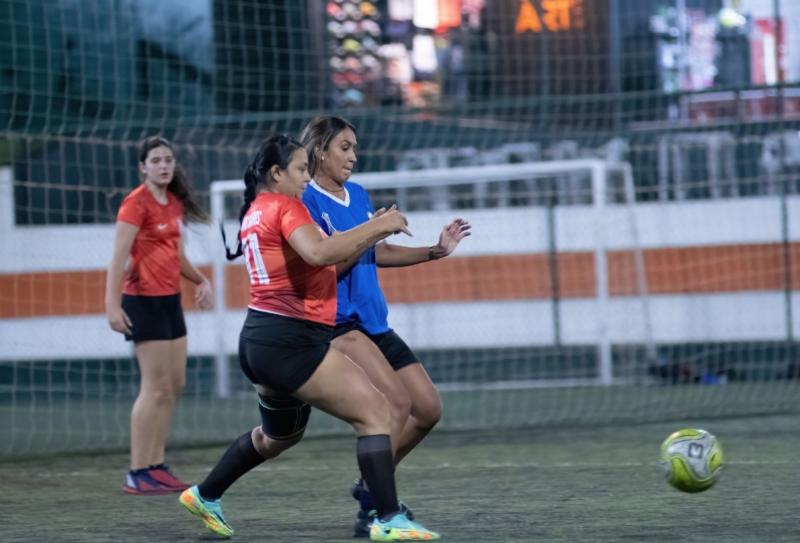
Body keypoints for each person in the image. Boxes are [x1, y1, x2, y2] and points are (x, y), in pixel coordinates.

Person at [178, 135, 440, 541]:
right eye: (300, 170)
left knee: (279, 436)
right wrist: (379, 225)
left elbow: (319, 257)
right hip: (292, 341)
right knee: (376, 412)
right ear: (276, 173)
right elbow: (319, 254)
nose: (306, 178)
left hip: (260, 341)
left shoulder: (254, 211)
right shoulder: (284, 207)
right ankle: (387, 519)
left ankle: (205, 493)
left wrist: (373, 233)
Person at [300, 116, 471, 536]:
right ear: (320, 149)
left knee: (428, 409)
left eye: (355, 148)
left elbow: (379, 251)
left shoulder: (357, 194)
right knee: (393, 405)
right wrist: (367, 232)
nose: (353, 156)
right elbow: (326, 267)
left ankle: (369, 489)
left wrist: (434, 251)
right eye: (344, 147)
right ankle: (379, 508)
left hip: (375, 322)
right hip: (339, 325)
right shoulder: (305, 202)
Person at [105, 136, 213, 495]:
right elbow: (118, 256)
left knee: (174, 385)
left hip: (170, 301)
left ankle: (156, 465)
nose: (164, 165)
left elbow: (177, 255)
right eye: (156, 160)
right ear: (143, 167)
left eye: (168, 159)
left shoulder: (173, 203)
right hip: (142, 303)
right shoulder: (135, 204)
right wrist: (111, 305)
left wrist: (200, 280)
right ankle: (137, 472)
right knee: (153, 388)